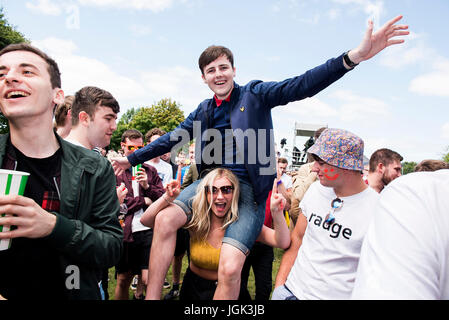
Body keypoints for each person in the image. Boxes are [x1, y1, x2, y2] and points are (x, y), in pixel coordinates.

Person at [112, 15, 409, 300]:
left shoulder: (254, 95)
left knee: (229, 268)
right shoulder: (202, 111)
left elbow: (301, 84)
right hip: (209, 183)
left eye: (223, 67)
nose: (218, 74)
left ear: (234, 70)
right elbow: (171, 138)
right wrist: (131, 158)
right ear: (203, 78)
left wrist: (352, 57)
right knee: (164, 221)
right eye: (211, 70)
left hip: (248, 190)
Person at [0, 43, 123, 300]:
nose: (10, 78)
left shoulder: (94, 167)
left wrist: (53, 226)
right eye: (1, 74)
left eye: (27, 72)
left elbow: (110, 248)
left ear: (57, 95)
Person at [140, 168, 291, 300]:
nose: (219, 196)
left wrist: (277, 214)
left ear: (235, 193)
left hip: (229, 291)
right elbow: (147, 220)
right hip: (193, 288)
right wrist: (167, 198)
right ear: (205, 194)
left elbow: (282, 242)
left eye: (226, 190)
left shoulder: (241, 228)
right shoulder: (196, 220)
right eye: (213, 190)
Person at [273, 128, 379, 300]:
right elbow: (298, 238)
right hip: (290, 292)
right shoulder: (316, 190)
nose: (314, 168)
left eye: (321, 163)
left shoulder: (377, 209)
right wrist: (280, 287)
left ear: (346, 166)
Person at [351, 169, 449, 299]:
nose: (400, 174)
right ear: (381, 167)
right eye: (396, 169)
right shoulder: (410, 193)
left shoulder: (406, 195)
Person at [114, 129, 165, 300]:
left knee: (148, 278)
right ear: (123, 146)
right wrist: (144, 201)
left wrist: (147, 187)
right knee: (123, 279)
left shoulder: (149, 170)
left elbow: (163, 199)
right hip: (125, 231)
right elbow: (120, 205)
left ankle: (140, 295)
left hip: (148, 229)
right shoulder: (116, 172)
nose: (136, 152)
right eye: (131, 147)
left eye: (140, 147)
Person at [289, 127, 327, 224]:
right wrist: (314, 172)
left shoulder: (335, 172)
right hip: (301, 226)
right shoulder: (306, 169)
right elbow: (298, 197)